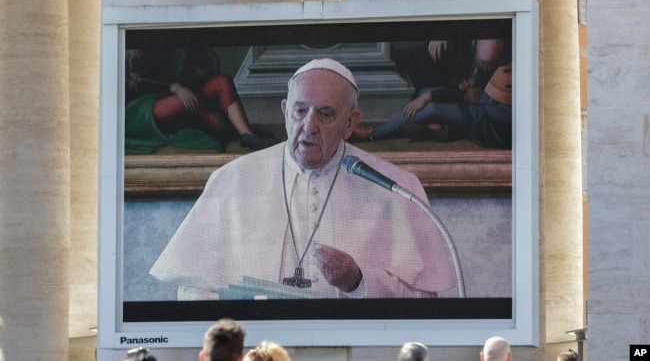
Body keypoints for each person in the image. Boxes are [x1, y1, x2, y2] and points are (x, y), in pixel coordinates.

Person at [149, 58, 454, 300]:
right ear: (285, 112)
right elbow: (193, 288)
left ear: (350, 123)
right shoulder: (231, 181)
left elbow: (424, 299)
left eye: (325, 114)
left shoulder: (394, 187)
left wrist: (360, 282)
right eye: (300, 111)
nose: (309, 126)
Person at [353, 39, 512, 149]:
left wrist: (428, 97)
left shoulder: (492, 43)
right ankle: (445, 129)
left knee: (429, 108)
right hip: (485, 101)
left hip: (501, 120)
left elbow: (470, 93)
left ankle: (371, 134)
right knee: (424, 92)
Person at [125, 47, 279, 154]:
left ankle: (247, 135)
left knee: (222, 82)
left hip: (180, 91)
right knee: (197, 110)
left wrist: (179, 85)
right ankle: (228, 128)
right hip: (140, 109)